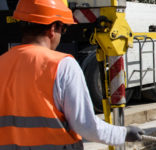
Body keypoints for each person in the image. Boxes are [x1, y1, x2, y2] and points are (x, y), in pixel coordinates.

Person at [0, 0, 144, 149]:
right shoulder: (62, 66)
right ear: (53, 28)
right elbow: (86, 126)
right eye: (63, 29)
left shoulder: (2, 63)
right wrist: (124, 133)